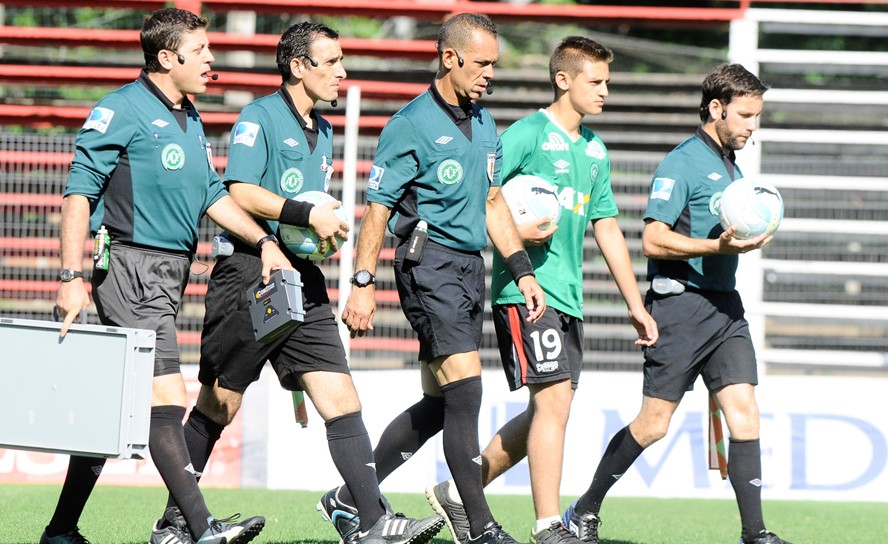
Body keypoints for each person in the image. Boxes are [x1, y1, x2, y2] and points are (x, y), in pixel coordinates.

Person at [149, 21, 445, 544]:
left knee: (342, 396)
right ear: (298, 66)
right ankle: (174, 524)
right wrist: (307, 214)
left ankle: (368, 519)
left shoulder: (324, 129)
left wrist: (319, 240)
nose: (342, 72)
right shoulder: (258, 117)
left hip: (302, 278)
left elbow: (303, 221)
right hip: (248, 271)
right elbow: (237, 191)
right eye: (330, 62)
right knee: (221, 403)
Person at [47, 8, 285, 544]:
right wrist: (69, 275)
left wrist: (266, 241)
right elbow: (80, 194)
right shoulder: (120, 109)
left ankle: (61, 530)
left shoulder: (190, 115)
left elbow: (211, 195)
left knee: (114, 405)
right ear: (166, 57)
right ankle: (198, 529)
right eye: (200, 51)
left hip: (168, 274)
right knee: (168, 398)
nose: (211, 59)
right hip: (130, 268)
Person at [424, 36, 659, 544]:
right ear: (563, 79)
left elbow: (608, 227)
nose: (604, 92)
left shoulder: (594, 149)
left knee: (544, 411)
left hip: (569, 296)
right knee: (553, 403)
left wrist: (635, 305)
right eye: (595, 82)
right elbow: (481, 196)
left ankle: (462, 491)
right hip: (526, 292)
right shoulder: (528, 134)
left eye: (608, 83)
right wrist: (514, 235)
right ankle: (550, 525)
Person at [327, 12, 546, 544]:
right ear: (450, 58)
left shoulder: (487, 122)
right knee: (467, 392)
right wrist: (361, 282)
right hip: (429, 266)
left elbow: (494, 203)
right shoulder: (410, 125)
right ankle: (478, 527)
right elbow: (378, 209)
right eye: (482, 63)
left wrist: (521, 270)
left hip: (469, 268)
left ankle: (348, 497)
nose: (490, 73)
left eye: (494, 63)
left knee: (441, 402)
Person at [560, 64, 792, 544]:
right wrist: (717, 248)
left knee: (745, 413)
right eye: (746, 115)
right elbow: (652, 239)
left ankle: (756, 533)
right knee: (653, 425)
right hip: (680, 307)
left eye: (757, 115)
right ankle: (583, 510)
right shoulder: (681, 163)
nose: (753, 125)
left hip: (726, 310)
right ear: (716, 108)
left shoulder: (733, 166)